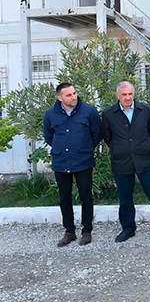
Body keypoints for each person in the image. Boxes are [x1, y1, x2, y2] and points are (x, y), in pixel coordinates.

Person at [102, 81, 150, 242]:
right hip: (122, 162)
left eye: (130, 94)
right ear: (117, 95)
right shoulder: (109, 114)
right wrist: (119, 148)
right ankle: (128, 228)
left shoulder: (145, 110)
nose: (128, 97)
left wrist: (144, 145)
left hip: (144, 159)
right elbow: (107, 137)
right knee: (125, 198)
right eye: (124, 94)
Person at [43, 83, 102, 247]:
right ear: (59, 98)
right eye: (68, 95)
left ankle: (87, 231)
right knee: (64, 198)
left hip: (83, 161)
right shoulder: (50, 114)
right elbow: (49, 137)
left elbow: (97, 134)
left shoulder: (89, 111)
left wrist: (84, 148)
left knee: (86, 196)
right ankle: (69, 232)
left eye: (74, 93)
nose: (73, 97)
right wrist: (62, 148)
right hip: (61, 162)